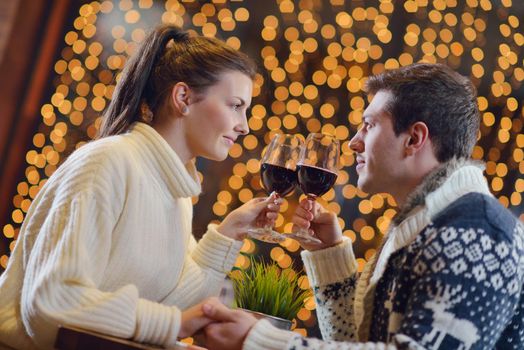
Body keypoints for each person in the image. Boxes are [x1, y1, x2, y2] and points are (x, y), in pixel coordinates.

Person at [200, 63, 524, 349]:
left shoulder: (477, 233)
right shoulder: (422, 223)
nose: (354, 142)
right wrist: (330, 254)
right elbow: (354, 342)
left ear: (414, 139)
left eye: (368, 125)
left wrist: (261, 340)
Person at [0, 25, 282, 350]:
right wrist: (173, 324)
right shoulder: (108, 162)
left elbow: (169, 308)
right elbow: (53, 303)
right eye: (235, 105)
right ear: (183, 98)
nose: (244, 126)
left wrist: (228, 234)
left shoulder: (175, 195)